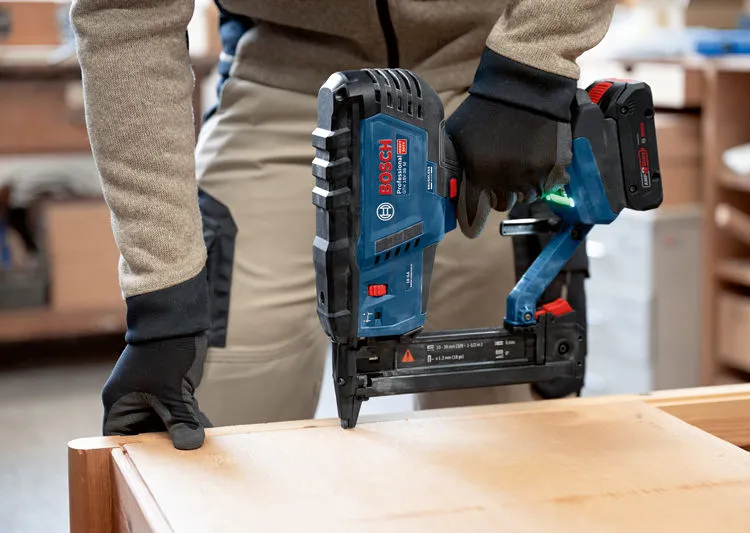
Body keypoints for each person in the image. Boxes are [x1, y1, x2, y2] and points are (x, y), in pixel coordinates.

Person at [70, 0, 614, 450]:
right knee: (209, 430)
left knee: (515, 447)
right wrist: (162, 295)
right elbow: (126, 15)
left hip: (487, 93)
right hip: (282, 92)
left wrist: (531, 68)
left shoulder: (511, 80)